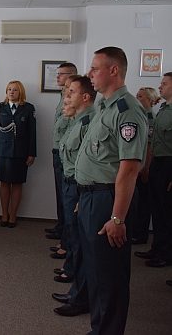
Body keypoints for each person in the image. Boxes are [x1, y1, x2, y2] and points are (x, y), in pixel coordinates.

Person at [74, 46, 147, 335]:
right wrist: (84, 196)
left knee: (110, 275)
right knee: (95, 271)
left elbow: (129, 169)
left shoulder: (127, 110)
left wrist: (117, 218)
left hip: (109, 200)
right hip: (93, 196)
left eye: (95, 68)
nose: (90, 73)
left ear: (113, 70)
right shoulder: (103, 106)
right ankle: (99, 328)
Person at [52, 76, 96, 317]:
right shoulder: (77, 120)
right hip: (71, 184)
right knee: (75, 240)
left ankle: (80, 297)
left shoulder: (89, 122)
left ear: (85, 97)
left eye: (71, 92)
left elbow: (85, 161)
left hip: (78, 187)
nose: (66, 97)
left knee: (80, 245)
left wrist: (80, 195)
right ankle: (76, 291)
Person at [135, 73, 172, 268]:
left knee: (166, 212)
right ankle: (157, 248)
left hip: (169, 164)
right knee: (157, 209)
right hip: (158, 161)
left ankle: (165, 254)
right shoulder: (164, 110)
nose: (160, 86)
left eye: (164, 84)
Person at [0, 80, 36, 228]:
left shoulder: (28, 108)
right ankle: (4, 214)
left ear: (20, 92)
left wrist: (31, 153)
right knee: (4, 183)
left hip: (21, 153)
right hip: (3, 151)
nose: (11, 92)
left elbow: (32, 133)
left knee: (17, 184)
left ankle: (13, 215)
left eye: (15, 90)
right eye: (9, 89)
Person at [47, 62, 78, 241]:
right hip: (58, 150)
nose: (57, 77)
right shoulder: (62, 96)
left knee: (67, 195)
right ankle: (61, 227)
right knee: (60, 193)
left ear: (71, 74)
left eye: (61, 74)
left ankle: (66, 234)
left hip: (66, 153)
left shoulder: (74, 97)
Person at [131, 87, 160, 244]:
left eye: (140, 96)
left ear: (149, 99)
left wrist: (146, 168)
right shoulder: (140, 115)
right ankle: (137, 231)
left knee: (143, 203)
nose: (137, 98)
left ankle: (140, 234)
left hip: (144, 166)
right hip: (139, 164)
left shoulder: (149, 117)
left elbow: (149, 146)